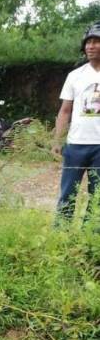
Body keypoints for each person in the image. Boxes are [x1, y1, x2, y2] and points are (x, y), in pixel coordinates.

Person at [52, 21, 100, 222]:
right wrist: (58, 140)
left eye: (96, 41)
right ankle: (61, 236)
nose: (90, 46)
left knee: (97, 198)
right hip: (76, 145)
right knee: (67, 194)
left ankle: (91, 240)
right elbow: (65, 111)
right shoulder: (75, 76)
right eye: (88, 42)